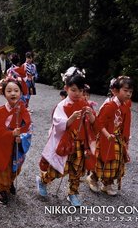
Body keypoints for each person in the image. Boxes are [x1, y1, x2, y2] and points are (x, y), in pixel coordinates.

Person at [36, 70, 96, 207]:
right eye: (73, 90)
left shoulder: (85, 104)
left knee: (77, 172)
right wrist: (71, 119)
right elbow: (58, 124)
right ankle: (43, 180)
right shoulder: (62, 105)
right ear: (66, 89)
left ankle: (73, 193)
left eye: (80, 90)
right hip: (66, 144)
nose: (77, 93)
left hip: (80, 144)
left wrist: (91, 116)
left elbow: (93, 123)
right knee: (56, 170)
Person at [0, 77, 31, 205]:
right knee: (2, 168)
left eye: (16, 90)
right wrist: (11, 133)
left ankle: (9, 182)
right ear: (4, 93)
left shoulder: (23, 110)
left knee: (14, 167)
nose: (13, 93)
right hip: (2, 145)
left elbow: (28, 128)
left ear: (20, 93)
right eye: (9, 91)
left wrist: (21, 137)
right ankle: (2, 189)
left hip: (16, 145)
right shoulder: (0, 111)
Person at [86, 76, 133, 196]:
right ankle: (93, 178)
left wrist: (125, 139)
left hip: (117, 137)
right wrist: (106, 134)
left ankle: (107, 183)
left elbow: (125, 124)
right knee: (104, 159)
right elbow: (99, 123)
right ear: (116, 91)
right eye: (125, 90)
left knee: (116, 161)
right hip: (106, 137)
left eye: (130, 91)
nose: (128, 94)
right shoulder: (109, 106)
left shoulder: (125, 106)